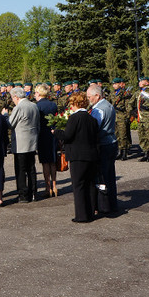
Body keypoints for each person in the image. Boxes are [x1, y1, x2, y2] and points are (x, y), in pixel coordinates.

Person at [53, 92, 100, 223]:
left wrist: (56, 132)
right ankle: (91, 212)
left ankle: (81, 215)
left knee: (78, 185)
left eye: (71, 104)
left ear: (75, 103)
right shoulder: (92, 119)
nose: (70, 107)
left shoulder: (74, 118)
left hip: (78, 156)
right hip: (91, 155)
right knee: (90, 184)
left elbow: (67, 135)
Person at [87, 85, 119, 214]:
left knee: (102, 176)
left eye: (89, 97)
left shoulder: (98, 110)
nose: (88, 99)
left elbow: (94, 128)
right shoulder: (108, 105)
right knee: (110, 175)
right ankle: (112, 203)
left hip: (103, 143)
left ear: (97, 96)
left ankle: (104, 206)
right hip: (112, 141)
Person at [7, 86, 40, 203]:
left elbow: (10, 124)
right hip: (32, 141)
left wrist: (6, 115)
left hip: (21, 143)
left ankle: (23, 195)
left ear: (16, 96)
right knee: (31, 168)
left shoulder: (19, 107)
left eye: (12, 98)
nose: (12, 100)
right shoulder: (34, 105)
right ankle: (33, 193)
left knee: (21, 170)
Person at [34, 84, 58, 197]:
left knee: (45, 163)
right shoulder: (53, 105)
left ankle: (47, 187)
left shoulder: (37, 106)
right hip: (52, 134)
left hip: (42, 135)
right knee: (52, 161)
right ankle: (54, 186)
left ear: (38, 93)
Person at [135, 77, 149, 162]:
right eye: (139, 81)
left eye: (142, 81)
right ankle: (145, 152)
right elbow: (131, 103)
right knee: (142, 135)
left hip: (148, 117)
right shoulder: (138, 93)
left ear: (147, 82)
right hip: (140, 117)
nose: (140, 82)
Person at [109, 77, 133, 160]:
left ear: (120, 84)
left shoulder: (125, 93)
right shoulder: (112, 94)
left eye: (116, 84)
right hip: (115, 116)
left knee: (123, 135)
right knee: (117, 135)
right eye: (113, 84)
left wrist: (128, 116)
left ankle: (124, 152)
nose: (114, 85)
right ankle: (119, 151)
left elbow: (128, 106)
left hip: (122, 116)